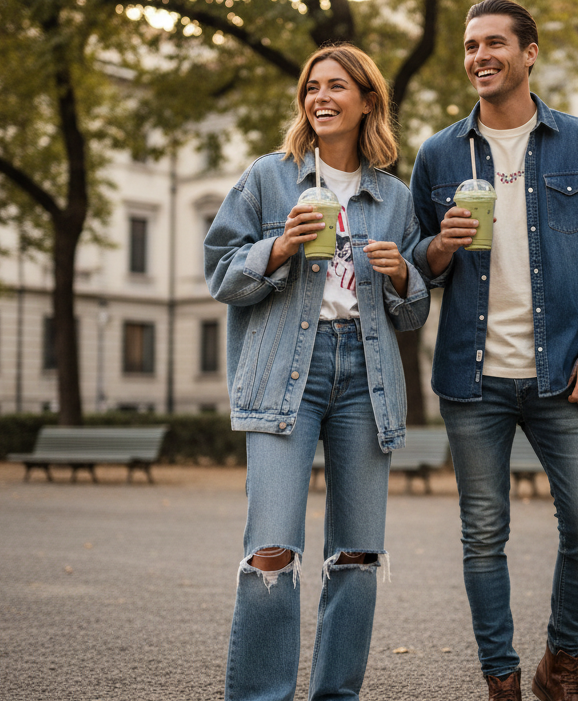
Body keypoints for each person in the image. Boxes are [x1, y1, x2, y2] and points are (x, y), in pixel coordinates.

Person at [408, 1, 578, 699]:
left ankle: (558, 663)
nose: (480, 56)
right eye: (471, 46)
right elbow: (417, 268)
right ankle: (501, 676)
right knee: (483, 534)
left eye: (494, 42)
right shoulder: (439, 153)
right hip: (472, 380)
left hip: (563, 372)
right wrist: (439, 244)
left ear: (530, 53)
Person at [204, 44, 430, 701]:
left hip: (367, 374)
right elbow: (221, 270)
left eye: (336, 86)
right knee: (271, 550)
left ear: (366, 101)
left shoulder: (395, 196)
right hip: (284, 374)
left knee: (358, 555)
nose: (320, 97)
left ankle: (337, 694)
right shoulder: (269, 180)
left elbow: (411, 310)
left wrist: (402, 273)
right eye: (312, 87)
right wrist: (278, 245)